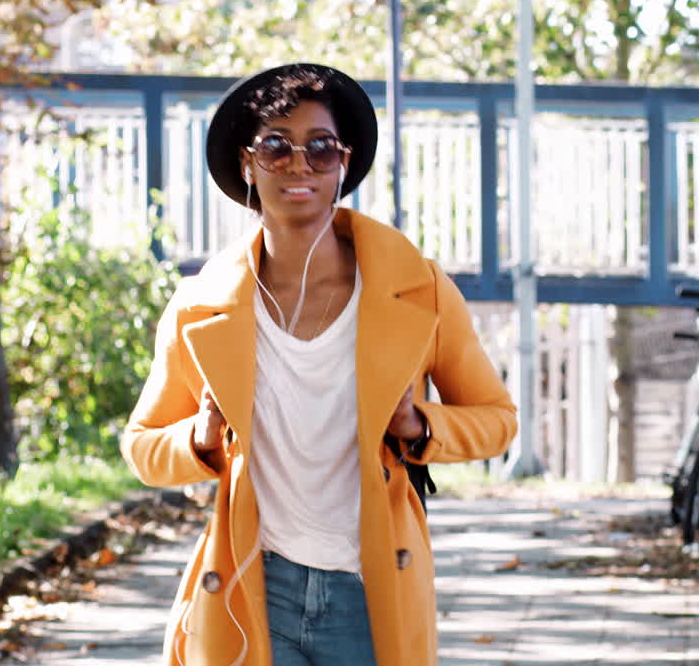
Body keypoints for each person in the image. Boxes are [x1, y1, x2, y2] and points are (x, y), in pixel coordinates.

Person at [121, 63, 518, 666]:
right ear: (248, 164)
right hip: (256, 583)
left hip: (369, 585)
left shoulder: (418, 289)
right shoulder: (202, 305)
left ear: (344, 164)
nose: (299, 165)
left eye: (320, 147)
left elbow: (497, 419)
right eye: (277, 147)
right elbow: (142, 446)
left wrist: (422, 427)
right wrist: (199, 438)